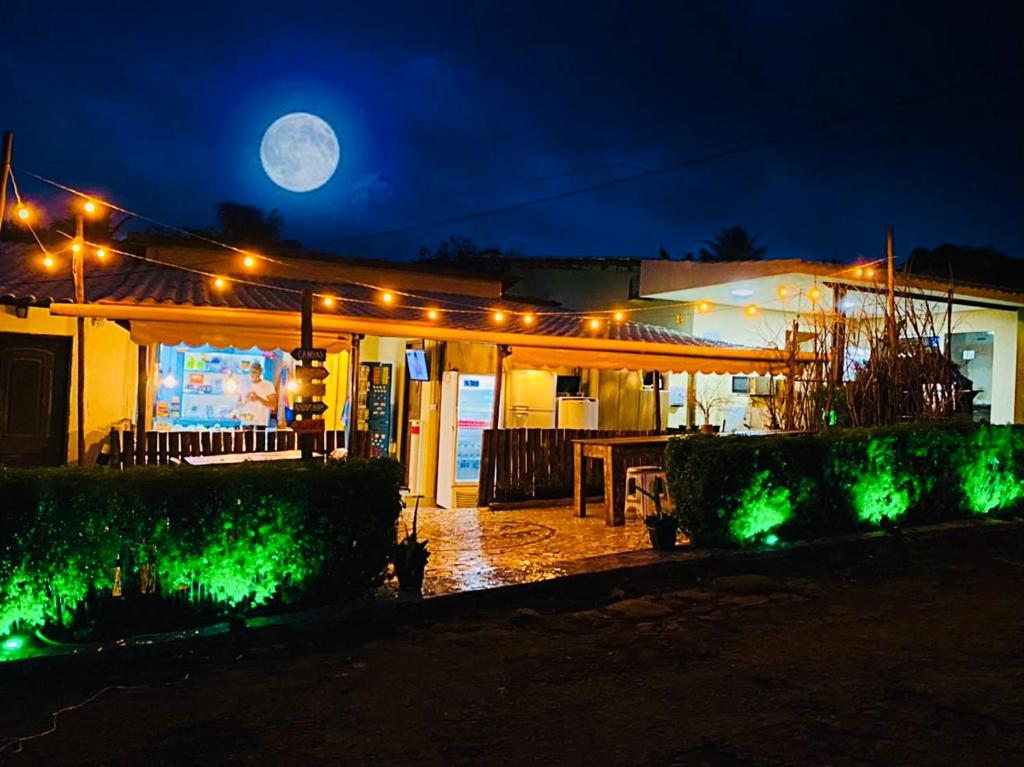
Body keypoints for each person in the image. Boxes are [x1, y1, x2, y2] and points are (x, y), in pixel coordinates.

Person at [241, 361, 277, 427]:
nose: (253, 374)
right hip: (245, 422)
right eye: (251, 372)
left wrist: (258, 398)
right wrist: (246, 399)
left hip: (261, 422)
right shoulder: (244, 384)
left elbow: (273, 406)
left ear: (260, 372)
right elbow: (238, 404)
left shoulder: (268, 385)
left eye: (255, 372)